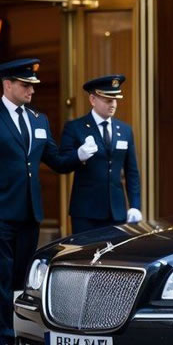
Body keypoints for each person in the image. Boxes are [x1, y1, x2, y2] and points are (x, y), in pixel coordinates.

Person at [0, 58, 98, 345]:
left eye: (33, 86)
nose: (31, 90)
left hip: (28, 212)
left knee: (22, 276)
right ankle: (2, 337)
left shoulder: (39, 120)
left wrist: (79, 154)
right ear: (7, 84)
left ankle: (21, 328)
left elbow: (56, 160)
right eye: (25, 85)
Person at [60, 75, 142, 234]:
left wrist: (135, 206)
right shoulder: (75, 128)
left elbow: (132, 172)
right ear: (92, 99)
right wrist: (78, 156)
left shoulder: (125, 130)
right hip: (86, 213)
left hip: (117, 212)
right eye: (108, 100)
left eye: (115, 100)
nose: (113, 104)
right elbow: (62, 163)